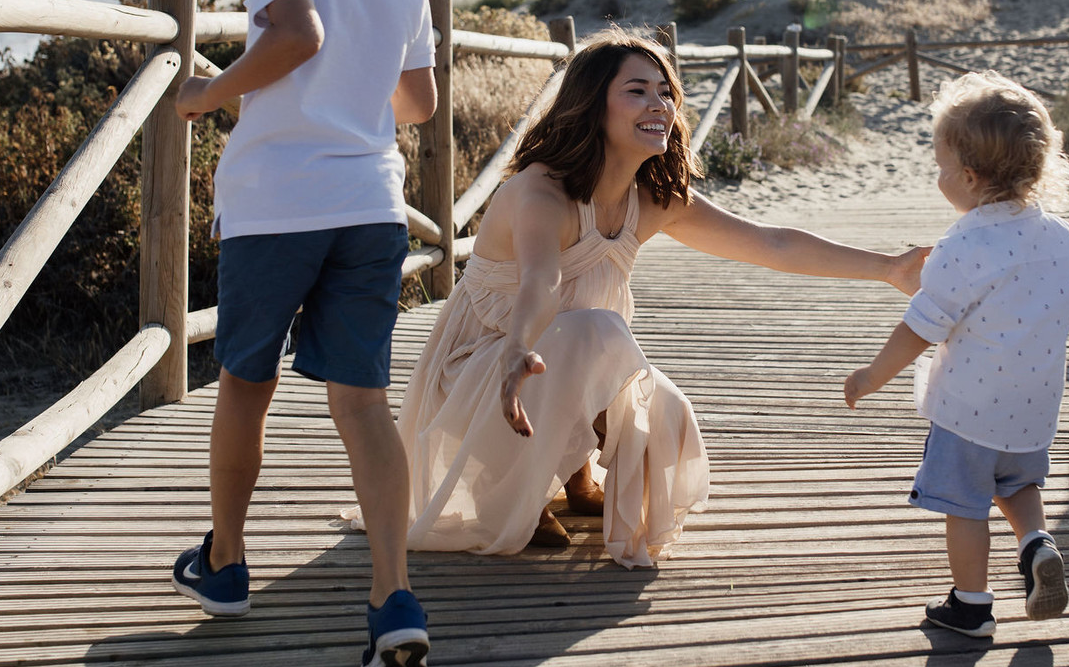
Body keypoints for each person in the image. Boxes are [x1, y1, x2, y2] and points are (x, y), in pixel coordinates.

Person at [372, 28, 928, 567]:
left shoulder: (652, 198)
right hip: (487, 372)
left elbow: (771, 242)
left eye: (665, 91)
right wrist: (518, 344)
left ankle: (575, 472)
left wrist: (890, 269)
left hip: (554, 362)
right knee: (590, 332)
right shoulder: (542, 191)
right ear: (593, 105)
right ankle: (515, 487)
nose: (658, 103)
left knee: (655, 401)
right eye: (636, 91)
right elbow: (542, 282)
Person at [169, 0, 438, 667]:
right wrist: (360, 87)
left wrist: (208, 94)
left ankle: (228, 563)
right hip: (370, 204)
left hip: (278, 200)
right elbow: (421, 103)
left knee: (247, 382)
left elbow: (294, 34)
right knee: (362, 402)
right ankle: (392, 596)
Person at [844, 71, 1069, 639]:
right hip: (1034, 412)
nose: (939, 176)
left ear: (968, 176)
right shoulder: (1065, 238)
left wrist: (874, 374)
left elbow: (920, 326)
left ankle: (971, 605)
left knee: (965, 505)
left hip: (967, 413)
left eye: (942, 167)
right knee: (1018, 487)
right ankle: (1036, 545)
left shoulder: (961, 247)